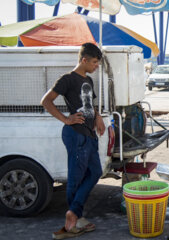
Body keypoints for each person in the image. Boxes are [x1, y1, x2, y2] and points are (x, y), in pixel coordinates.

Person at [41, 42, 105, 239]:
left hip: (89, 134)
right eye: (94, 62)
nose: (96, 66)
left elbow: (90, 104)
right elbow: (46, 101)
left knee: (96, 172)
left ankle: (75, 213)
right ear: (84, 60)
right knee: (75, 179)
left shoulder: (88, 80)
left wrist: (98, 117)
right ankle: (73, 219)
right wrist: (67, 119)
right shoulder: (67, 79)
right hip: (75, 134)